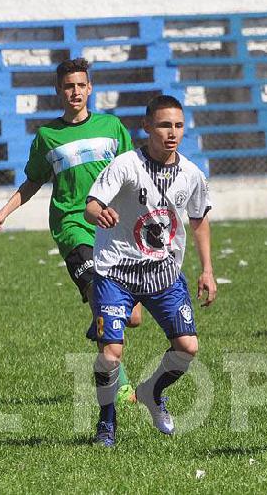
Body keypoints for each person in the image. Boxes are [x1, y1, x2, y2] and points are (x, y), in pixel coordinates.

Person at [0, 57, 144, 403]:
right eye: (68, 86)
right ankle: (122, 384)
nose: (75, 92)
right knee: (103, 298)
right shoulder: (47, 137)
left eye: (81, 85)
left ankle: (98, 321)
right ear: (59, 90)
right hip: (73, 226)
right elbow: (32, 183)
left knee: (133, 317)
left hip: (114, 227)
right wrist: (3, 213)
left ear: (90, 88)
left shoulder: (112, 128)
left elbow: (134, 177)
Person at [83, 94, 216, 447]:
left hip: (163, 273)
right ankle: (106, 423)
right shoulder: (126, 165)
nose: (171, 133)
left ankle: (151, 392)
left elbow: (199, 221)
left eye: (178, 125)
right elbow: (92, 205)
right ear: (146, 127)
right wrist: (100, 213)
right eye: (163, 125)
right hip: (116, 271)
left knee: (187, 348)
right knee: (111, 354)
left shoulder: (191, 174)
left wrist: (207, 270)